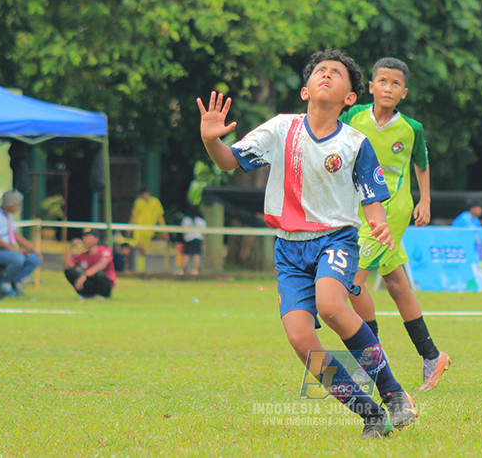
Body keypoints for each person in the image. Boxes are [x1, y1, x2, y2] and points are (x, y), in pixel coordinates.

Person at [197, 49, 418, 438]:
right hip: (289, 249)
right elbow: (229, 161)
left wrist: (379, 225)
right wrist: (211, 141)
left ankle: (394, 393)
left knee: (332, 305)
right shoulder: (281, 129)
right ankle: (370, 414)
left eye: (337, 73)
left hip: (336, 238)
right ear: (305, 90)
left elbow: (372, 202)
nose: (327, 75)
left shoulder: (355, 143)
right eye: (320, 71)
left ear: (350, 98)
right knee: (301, 339)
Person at [339, 57, 451, 392]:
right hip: (357, 208)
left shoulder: (411, 128)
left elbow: (422, 164)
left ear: (404, 92)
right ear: (371, 87)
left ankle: (368, 360)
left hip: (391, 212)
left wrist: (425, 200)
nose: (389, 88)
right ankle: (432, 355)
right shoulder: (353, 116)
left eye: (396, 84)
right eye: (383, 82)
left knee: (351, 282)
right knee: (396, 284)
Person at [0, 190, 42, 295]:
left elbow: (17, 236)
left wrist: (34, 250)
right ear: (10, 204)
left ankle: (15, 281)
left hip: (6, 251)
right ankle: (4, 283)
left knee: (34, 259)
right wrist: (17, 251)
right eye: (17, 204)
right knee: (18, 258)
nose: (18, 207)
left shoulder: (8, 216)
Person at [63, 229, 116, 299]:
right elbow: (67, 266)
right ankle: (86, 294)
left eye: (87, 237)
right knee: (70, 272)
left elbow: (103, 264)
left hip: (103, 284)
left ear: (96, 239)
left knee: (99, 274)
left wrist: (84, 275)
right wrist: (70, 248)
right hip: (90, 283)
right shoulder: (82, 256)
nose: (85, 240)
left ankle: (102, 295)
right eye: (84, 237)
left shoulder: (105, 250)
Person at [127, 186, 166, 272]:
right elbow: (134, 216)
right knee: (139, 246)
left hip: (149, 230)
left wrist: (164, 230)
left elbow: (160, 217)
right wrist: (129, 229)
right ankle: (139, 269)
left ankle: (141, 269)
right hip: (138, 229)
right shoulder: (138, 202)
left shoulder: (155, 202)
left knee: (143, 250)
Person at [180, 207, 206, 275]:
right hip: (198, 239)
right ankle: (195, 270)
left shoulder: (186, 220)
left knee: (186, 254)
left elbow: (183, 230)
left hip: (189, 239)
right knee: (197, 255)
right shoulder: (201, 221)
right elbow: (203, 233)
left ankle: (182, 270)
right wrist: (203, 242)